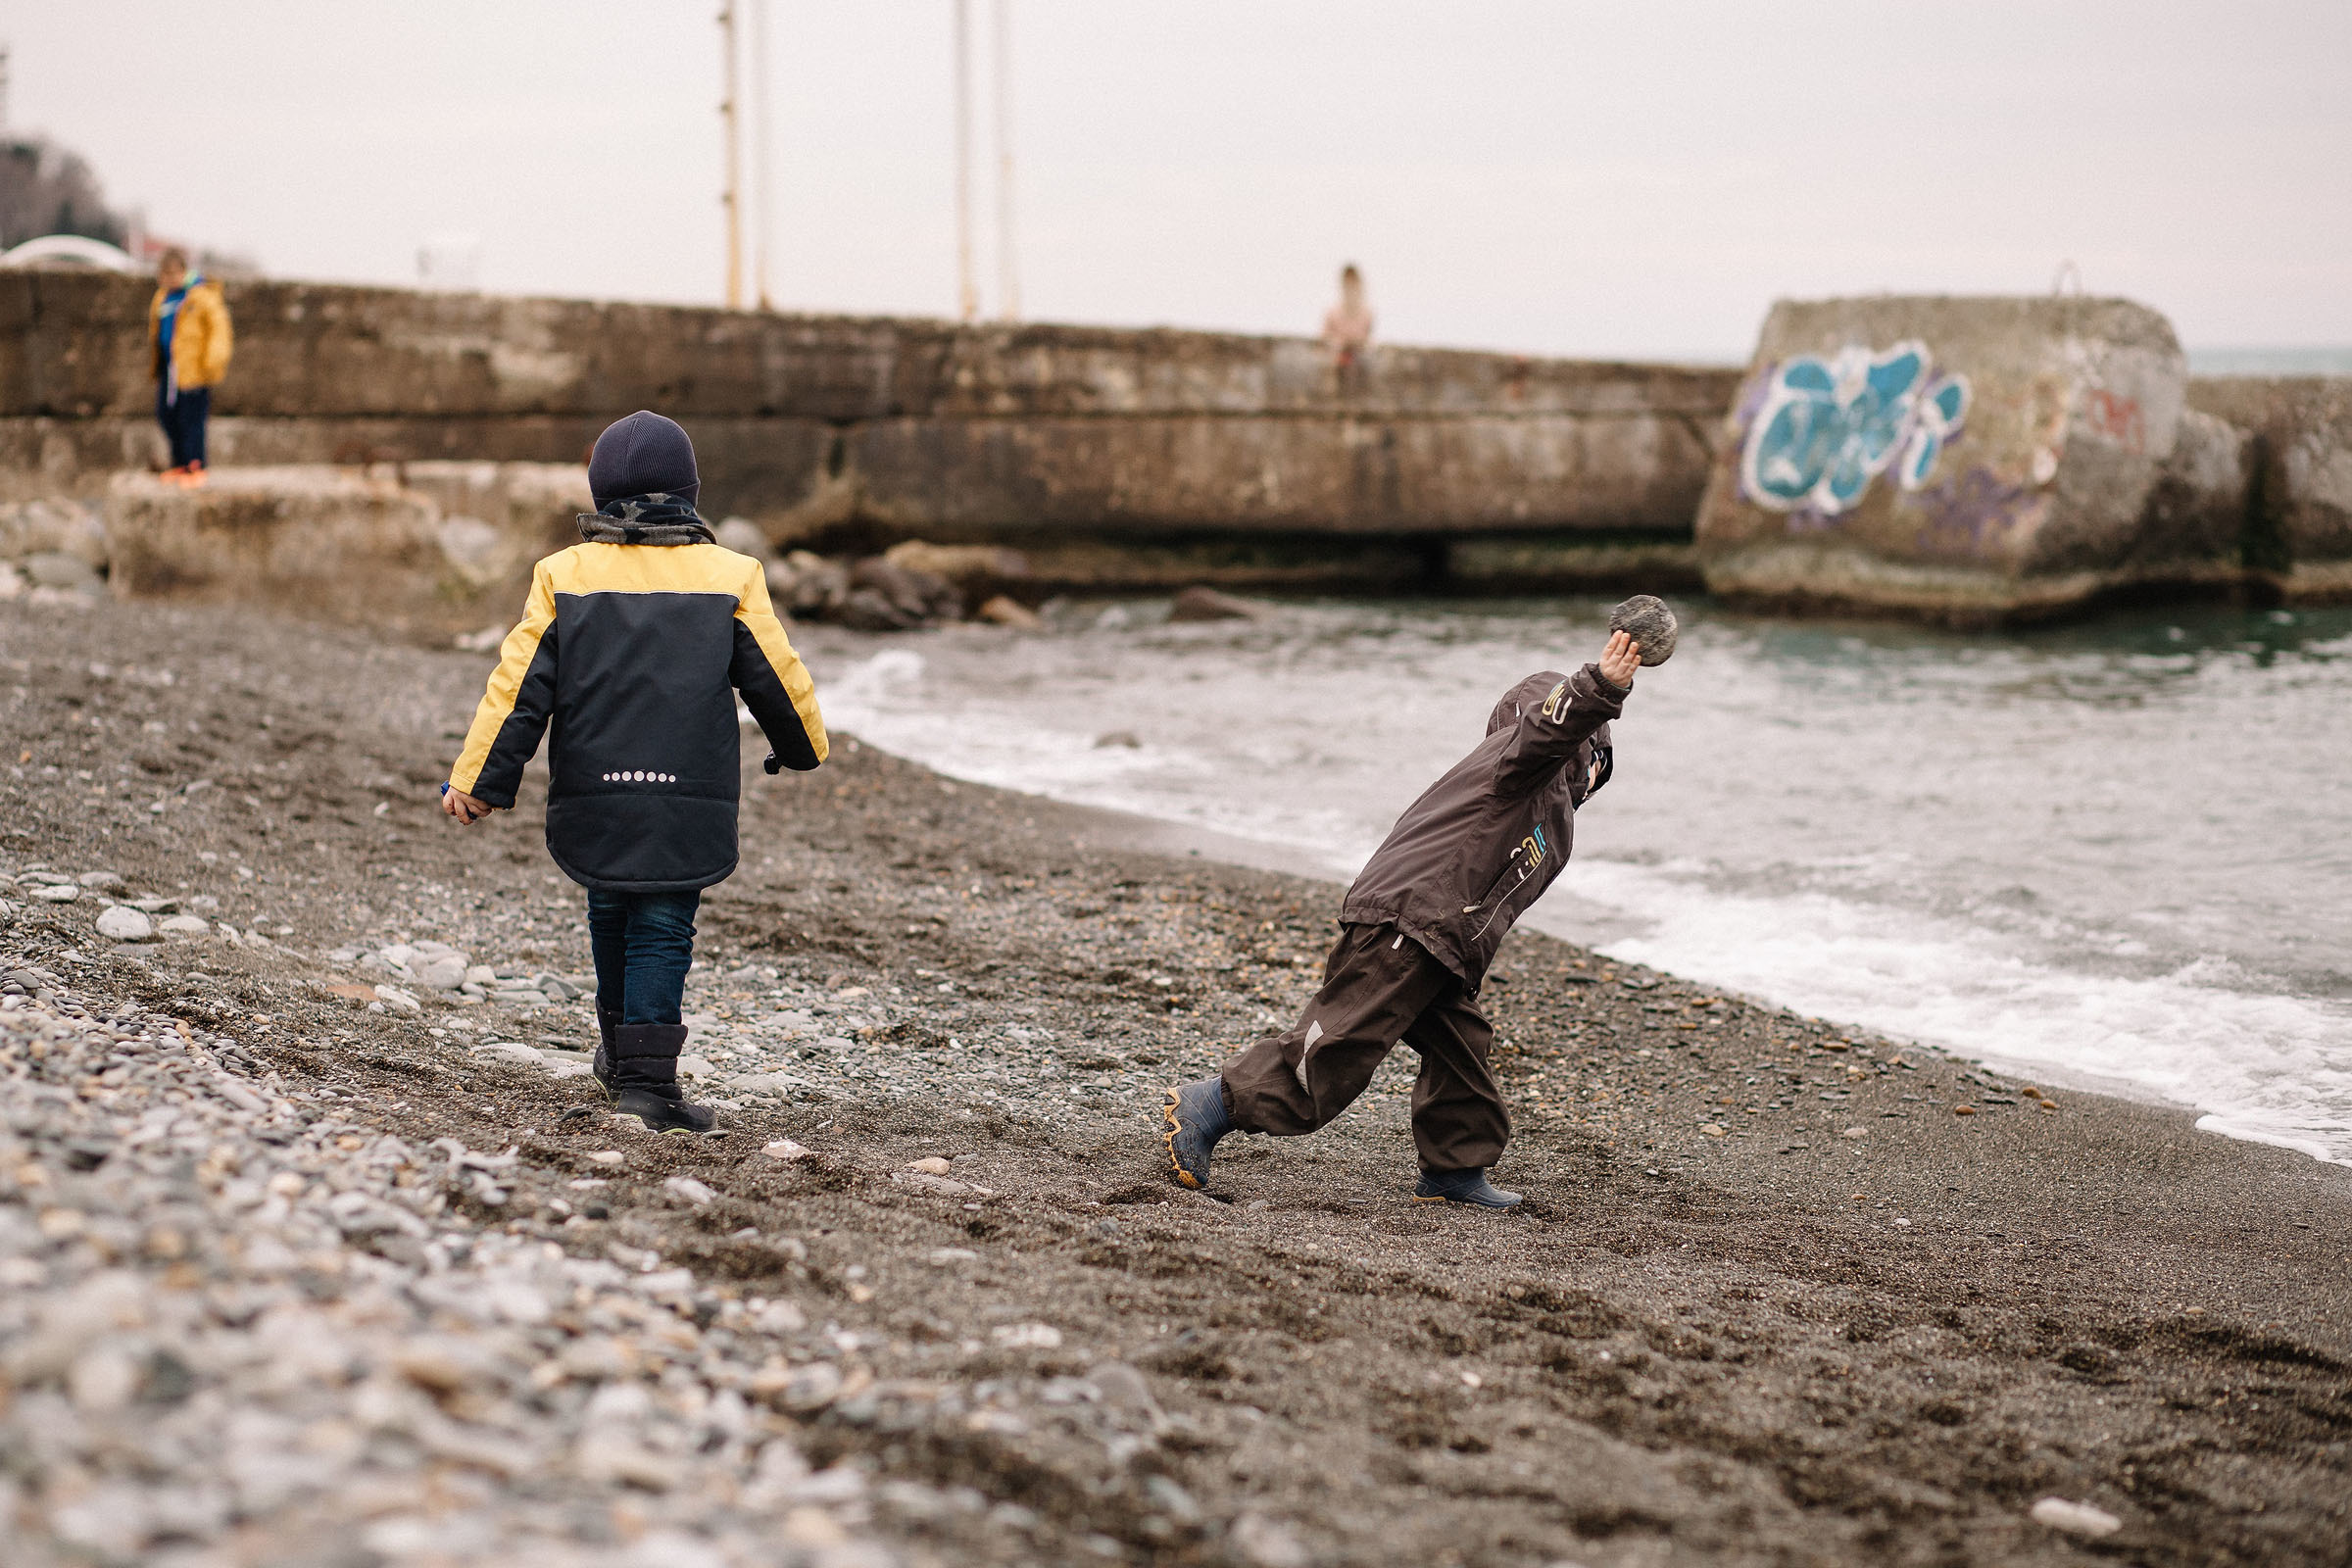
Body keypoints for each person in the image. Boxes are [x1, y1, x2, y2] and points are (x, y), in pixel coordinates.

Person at [439, 411, 827, 1134]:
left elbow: (518, 687)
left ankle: (622, 1057)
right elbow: (778, 678)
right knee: (661, 926)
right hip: (687, 796)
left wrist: (479, 780)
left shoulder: (563, 574)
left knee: (610, 905)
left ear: (601, 492)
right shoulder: (731, 575)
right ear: (689, 492)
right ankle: (648, 1084)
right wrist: (802, 747)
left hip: (595, 790)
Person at [1162, 629, 1643, 1207]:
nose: (1596, 777)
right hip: (1411, 923)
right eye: (1598, 759)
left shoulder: (1541, 801)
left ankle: (1453, 1170)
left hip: (1443, 939)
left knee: (1461, 1049)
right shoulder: (1521, 767)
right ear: (1579, 743)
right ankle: (1213, 1103)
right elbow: (1545, 733)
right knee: (1340, 1046)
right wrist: (1601, 689)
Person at [147, 248, 232, 485]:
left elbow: (219, 330)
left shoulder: (201, 296)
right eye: (165, 275)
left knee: (192, 418)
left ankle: (196, 465)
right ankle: (180, 463)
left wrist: (212, 363)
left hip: (194, 369)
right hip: (169, 368)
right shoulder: (162, 298)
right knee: (166, 415)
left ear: (184, 272)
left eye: (174, 274)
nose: (170, 279)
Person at [1321, 263, 1375, 388]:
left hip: (1359, 367)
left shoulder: (1367, 314)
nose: (1350, 287)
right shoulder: (1332, 313)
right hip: (1336, 363)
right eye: (1347, 283)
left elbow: (1368, 342)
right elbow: (1323, 342)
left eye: (1353, 282)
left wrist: (1358, 344)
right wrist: (1340, 344)